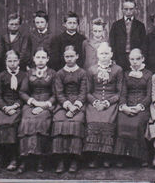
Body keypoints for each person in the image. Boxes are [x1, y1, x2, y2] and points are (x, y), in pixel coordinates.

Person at [84, 42, 123, 168]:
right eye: (102, 53)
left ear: (111, 54)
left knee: (108, 120)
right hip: (94, 102)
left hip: (111, 102)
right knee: (93, 119)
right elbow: (87, 92)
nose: (104, 56)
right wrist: (95, 102)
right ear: (97, 55)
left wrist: (108, 102)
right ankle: (95, 156)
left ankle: (107, 156)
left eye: (107, 53)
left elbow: (119, 92)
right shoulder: (91, 70)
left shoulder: (118, 69)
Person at [17, 48, 57, 173]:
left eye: (43, 57)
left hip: (46, 104)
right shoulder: (28, 73)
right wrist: (33, 102)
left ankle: (41, 160)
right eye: (38, 57)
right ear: (34, 59)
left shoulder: (53, 73)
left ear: (48, 59)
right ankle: (24, 159)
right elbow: (22, 91)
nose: (40, 60)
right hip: (31, 104)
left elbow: (56, 94)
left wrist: (45, 104)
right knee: (26, 121)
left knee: (41, 122)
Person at [114, 49, 152, 167]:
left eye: (137, 59)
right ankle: (123, 156)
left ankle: (141, 157)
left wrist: (139, 107)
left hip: (142, 107)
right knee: (121, 122)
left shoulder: (148, 74)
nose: (135, 62)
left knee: (136, 124)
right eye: (132, 59)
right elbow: (123, 93)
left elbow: (149, 95)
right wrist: (124, 107)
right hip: (127, 105)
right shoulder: (125, 74)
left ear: (143, 59)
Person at [52, 45, 87, 173]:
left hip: (79, 104)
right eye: (67, 56)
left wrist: (75, 107)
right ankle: (61, 160)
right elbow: (59, 93)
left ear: (77, 56)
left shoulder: (82, 73)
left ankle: (74, 160)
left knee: (76, 123)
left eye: (72, 56)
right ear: (64, 57)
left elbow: (83, 92)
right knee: (59, 122)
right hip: (63, 105)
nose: (69, 59)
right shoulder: (59, 73)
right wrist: (67, 106)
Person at [0, 50, 26, 171]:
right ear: (6, 61)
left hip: (18, 105)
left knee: (12, 125)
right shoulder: (1, 76)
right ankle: (0, 158)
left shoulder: (24, 75)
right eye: (9, 61)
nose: (12, 63)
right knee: (0, 124)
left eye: (15, 60)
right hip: (4, 106)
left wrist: (15, 106)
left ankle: (14, 158)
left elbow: (25, 94)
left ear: (19, 61)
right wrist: (5, 107)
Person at [109, 0, 146, 70]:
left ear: (135, 9)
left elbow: (143, 43)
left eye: (131, 9)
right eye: (126, 9)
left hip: (134, 58)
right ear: (122, 9)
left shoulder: (140, 25)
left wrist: (140, 57)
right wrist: (113, 58)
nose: (128, 11)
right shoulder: (116, 25)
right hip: (120, 57)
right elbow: (112, 43)